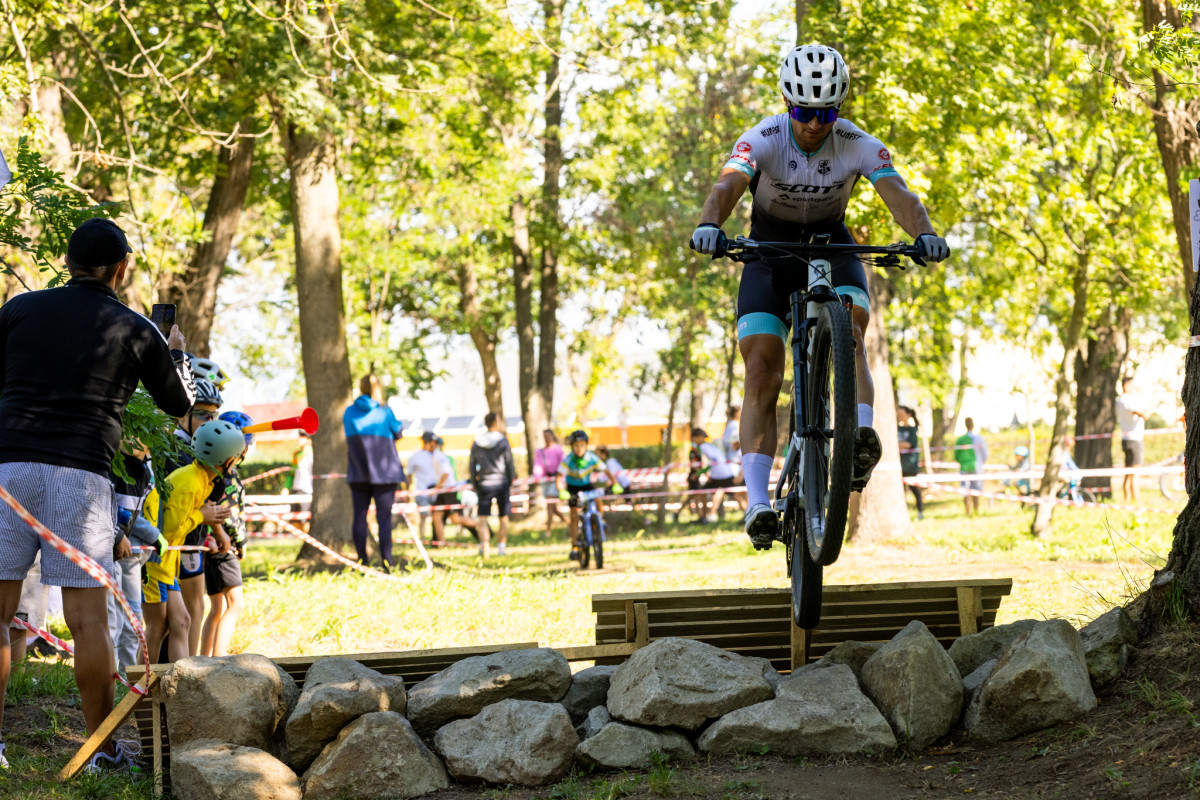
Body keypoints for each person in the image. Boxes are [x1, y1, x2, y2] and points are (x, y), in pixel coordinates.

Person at [689, 44, 949, 549]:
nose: (814, 124)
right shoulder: (762, 138)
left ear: (839, 108)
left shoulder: (855, 142)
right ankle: (758, 503)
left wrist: (925, 233)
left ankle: (859, 438)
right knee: (761, 369)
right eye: (804, 112)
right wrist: (709, 224)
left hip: (832, 246)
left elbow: (900, 196)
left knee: (851, 330)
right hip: (768, 254)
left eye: (826, 113)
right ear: (788, 104)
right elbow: (726, 187)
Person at [0, 217, 196, 772]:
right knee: (88, 621)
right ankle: (101, 751)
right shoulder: (135, 328)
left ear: (68, 263)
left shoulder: (18, 309)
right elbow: (178, 406)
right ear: (121, 269)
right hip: (81, 478)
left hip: (9, 468)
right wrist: (175, 354)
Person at [143, 421, 238, 664]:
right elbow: (169, 530)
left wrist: (207, 517)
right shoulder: (191, 482)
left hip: (167, 566)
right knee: (156, 628)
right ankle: (141, 682)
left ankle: (182, 678)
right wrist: (201, 516)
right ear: (227, 461)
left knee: (182, 621)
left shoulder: (199, 477)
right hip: (155, 565)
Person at [171, 376, 224, 658]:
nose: (210, 422)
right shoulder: (176, 451)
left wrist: (210, 533)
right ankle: (189, 667)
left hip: (193, 538)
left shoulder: (195, 447)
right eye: (204, 415)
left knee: (190, 610)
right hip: (179, 540)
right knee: (191, 610)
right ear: (184, 414)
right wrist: (205, 520)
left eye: (214, 415)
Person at [200, 411, 254, 657]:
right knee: (236, 604)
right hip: (225, 547)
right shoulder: (228, 476)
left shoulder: (213, 473)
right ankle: (220, 659)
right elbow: (229, 515)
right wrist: (240, 542)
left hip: (210, 546)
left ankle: (204, 658)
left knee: (216, 608)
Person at [343, 375, 405, 568]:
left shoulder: (349, 412)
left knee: (359, 517)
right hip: (385, 473)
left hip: (358, 472)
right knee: (384, 519)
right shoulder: (384, 411)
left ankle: (362, 563)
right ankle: (387, 564)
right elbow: (399, 432)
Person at [556, 431, 613, 562]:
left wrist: (614, 483)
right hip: (572, 487)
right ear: (572, 446)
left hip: (586, 485)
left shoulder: (591, 458)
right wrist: (561, 491)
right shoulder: (568, 460)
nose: (579, 448)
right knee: (574, 515)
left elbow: (606, 470)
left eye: (582, 445)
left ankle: (600, 521)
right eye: (576, 445)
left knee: (597, 499)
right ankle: (574, 546)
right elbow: (558, 478)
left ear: (586, 445)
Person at [469, 413, 515, 558]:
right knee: (503, 517)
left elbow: (472, 465)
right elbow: (509, 463)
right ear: (496, 422)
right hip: (501, 482)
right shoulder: (503, 441)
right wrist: (510, 481)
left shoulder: (477, 442)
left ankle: (485, 547)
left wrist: (475, 484)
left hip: (484, 483)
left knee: (482, 517)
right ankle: (501, 549)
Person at [691, 427, 744, 523]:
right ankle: (705, 517)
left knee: (736, 494)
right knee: (735, 494)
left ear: (698, 437)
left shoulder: (703, 447)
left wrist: (700, 473)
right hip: (721, 474)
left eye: (693, 438)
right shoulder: (710, 445)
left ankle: (703, 517)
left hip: (721, 475)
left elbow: (714, 461)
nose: (693, 440)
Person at [407, 431, 450, 543]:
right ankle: (422, 540)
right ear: (426, 442)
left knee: (437, 516)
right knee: (424, 516)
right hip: (422, 492)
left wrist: (437, 488)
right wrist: (407, 491)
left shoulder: (438, 455)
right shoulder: (415, 457)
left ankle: (436, 540)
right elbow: (409, 475)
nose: (435, 445)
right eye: (433, 442)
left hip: (437, 491)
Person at [434, 437, 478, 540]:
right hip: (443, 490)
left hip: (449, 490)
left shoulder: (443, 458)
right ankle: (440, 543)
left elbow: (447, 475)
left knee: (456, 518)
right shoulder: (444, 458)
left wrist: (437, 487)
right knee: (437, 516)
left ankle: (482, 527)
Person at [1115, 376, 1147, 502]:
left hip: (1126, 438)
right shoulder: (1127, 400)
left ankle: (1126, 498)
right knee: (1135, 472)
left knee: (1128, 472)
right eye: (1132, 385)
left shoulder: (1118, 400)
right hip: (1135, 439)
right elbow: (1142, 414)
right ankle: (1136, 500)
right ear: (1126, 385)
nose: (1134, 388)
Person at [534, 429, 567, 535]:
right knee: (553, 508)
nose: (546, 438)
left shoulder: (558, 450)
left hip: (556, 480)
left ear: (552, 436)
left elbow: (563, 464)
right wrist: (537, 476)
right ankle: (569, 522)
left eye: (548, 436)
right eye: (545, 436)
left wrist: (561, 479)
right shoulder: (540, 451)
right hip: (546, 480)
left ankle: (548, 530)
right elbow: (538, 465)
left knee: (549, 504)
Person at [953, 417, 988, 516]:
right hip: (976, 467)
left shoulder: (960, 440)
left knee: (966, 490)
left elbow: (956, 455)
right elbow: (985, 454)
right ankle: (976, 511)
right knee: (976, 490)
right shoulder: (979, 438)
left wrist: (963, 462)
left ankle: (967, 512)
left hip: (964, 468)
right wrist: (981, 463)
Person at [896, 406, 923, 520]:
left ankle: (920, 511)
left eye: (901, 414)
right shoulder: (896, 428)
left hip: (910, 465)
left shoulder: (912, 430)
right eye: (898, 414)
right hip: (898, 465)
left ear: (908, 415)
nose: (899, 416)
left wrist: (896, 444)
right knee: (900, 491)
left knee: (914, 489)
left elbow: (908, 445)